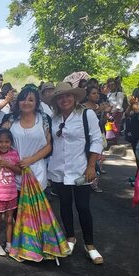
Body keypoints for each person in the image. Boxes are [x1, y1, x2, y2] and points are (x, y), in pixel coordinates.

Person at [47, 82, 104, 265]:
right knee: (64, 205)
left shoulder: (86, 115)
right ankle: (70, 237)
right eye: (60, 97)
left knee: (83, 207)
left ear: (75, 97)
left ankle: (90, 245)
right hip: (59, 169)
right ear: (56, 101)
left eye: (68, 96)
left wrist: (91, 166)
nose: (64, 100)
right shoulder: (54, 119)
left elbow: (96, 141)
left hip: (80, 169)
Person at [106, 78, 124, 144]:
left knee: (115, 126)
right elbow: (108, 103)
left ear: (116, 85)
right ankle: (110, 139)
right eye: (109, 85)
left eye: (113, 84)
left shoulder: (119, 94)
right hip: (110, 112)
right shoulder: (109, 94)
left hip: (117, 112)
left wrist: (114, 113)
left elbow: (119, 105)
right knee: (109, 126)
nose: (111, 86)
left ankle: (115, 140)